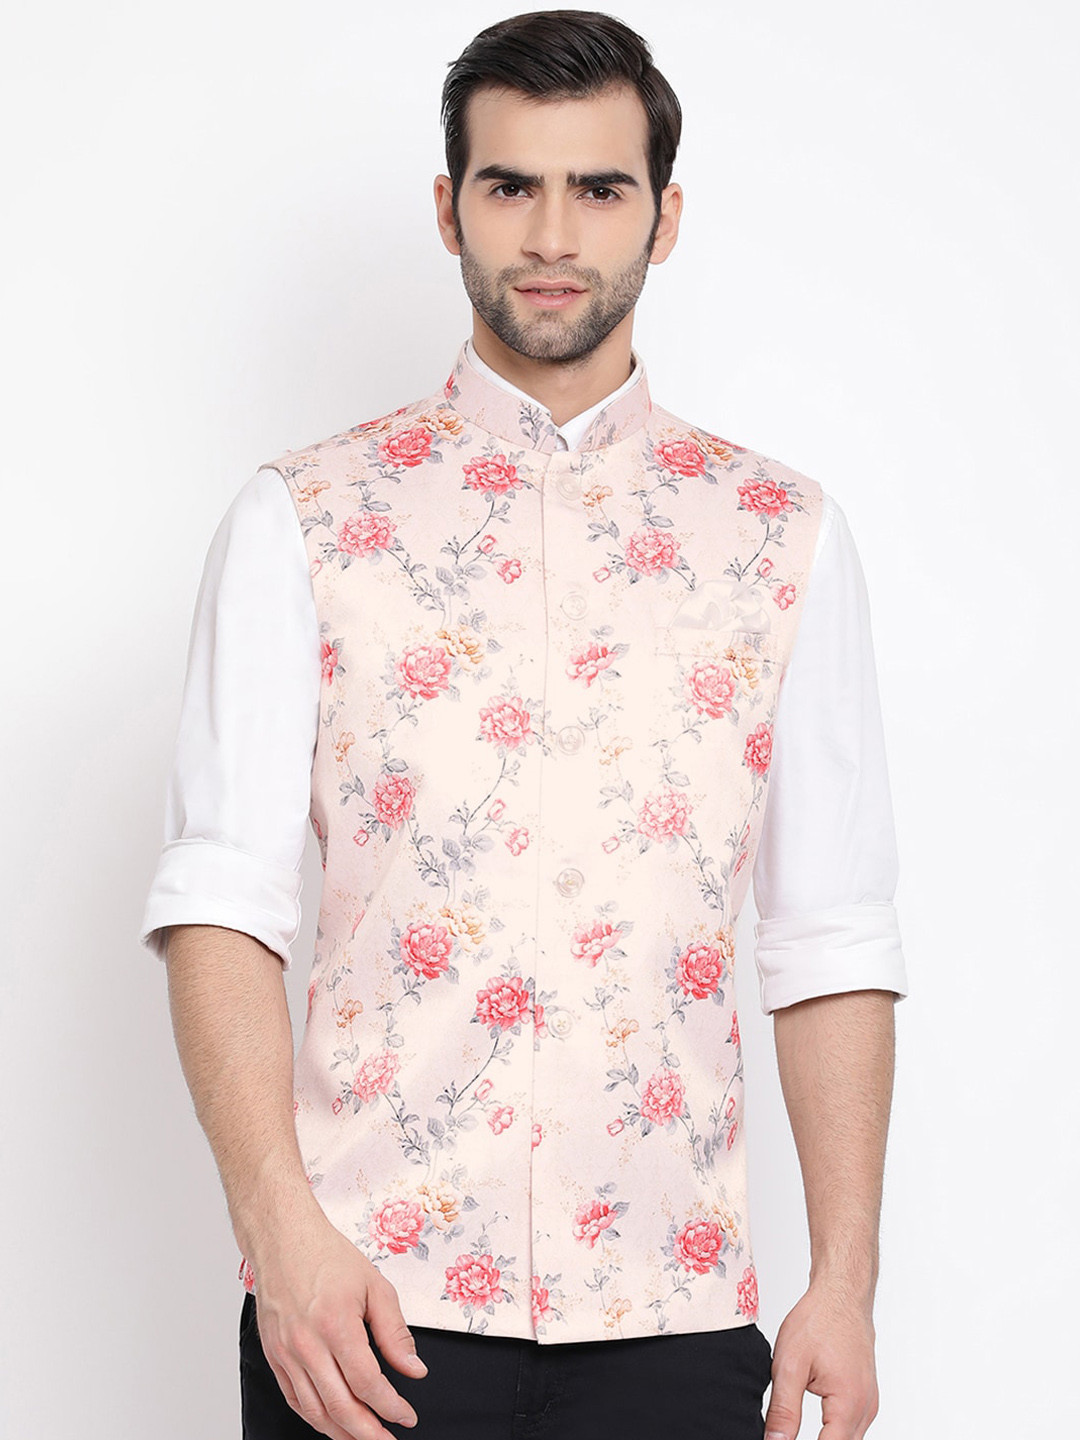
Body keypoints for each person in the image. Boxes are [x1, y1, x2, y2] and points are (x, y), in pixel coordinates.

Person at [140, 11, 908, 1440]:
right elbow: (221, 905)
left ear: (664, 218)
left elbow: (831, 936)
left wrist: (845, 1282)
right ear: (450, 208)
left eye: (600, 188)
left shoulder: (782, 537)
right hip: (364, 1308)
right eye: (512, 186)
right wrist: (281, 1240)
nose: (554, 235)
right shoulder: (303, 519)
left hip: (674, 1315)